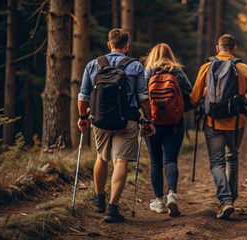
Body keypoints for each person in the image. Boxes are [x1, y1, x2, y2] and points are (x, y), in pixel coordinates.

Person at [77, 28, 154, 222]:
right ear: (126, 46)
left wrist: (82, 117)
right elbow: (143, 97)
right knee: (120, 162)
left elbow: (83, 96)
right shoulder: (135, 67)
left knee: (102, 158)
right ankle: (112, 208)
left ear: (108, 45)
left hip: (100, 120)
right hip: (126, 120)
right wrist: (149, 120)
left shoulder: (93, 64)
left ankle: (99, 200)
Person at [190, 34, 247, 219]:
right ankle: (231, 197)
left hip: (212, 122)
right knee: (232, 158)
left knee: (217, 162)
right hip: (237, 122)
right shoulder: (243, 68)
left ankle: (225, 198)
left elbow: (194, 97)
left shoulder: (206, 67)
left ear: (217, 48)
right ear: (234, 49)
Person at [143, 43, 192, 216]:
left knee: (155, 161)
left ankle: (159, 201)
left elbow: (141, 95)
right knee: (170, 160)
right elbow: (190, 93)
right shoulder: (176, 71)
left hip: (152, 123)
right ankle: (172, 194)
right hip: (174, 124)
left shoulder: (148, 72)